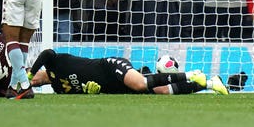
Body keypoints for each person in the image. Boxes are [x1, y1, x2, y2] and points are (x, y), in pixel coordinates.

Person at [29, 48, 229, 95]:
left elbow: (46, 53)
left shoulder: (52, 62)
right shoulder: (58, 90)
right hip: (111, 87)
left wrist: (28, 74)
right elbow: (83, 91)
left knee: (140, 83)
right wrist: (91, 93)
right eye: (33, 83)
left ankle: (191, 74)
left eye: (33, 78)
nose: (34, 81)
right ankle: (211, 83)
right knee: (161, 92)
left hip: (110, 66)